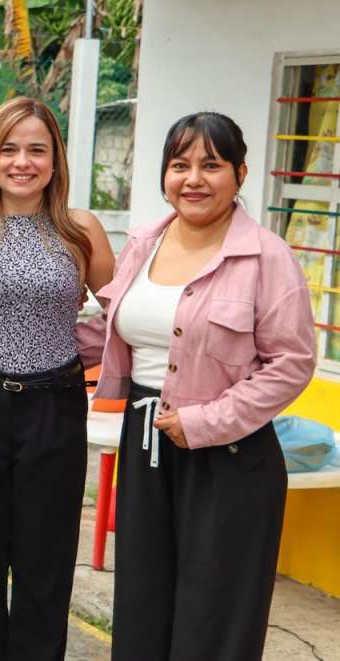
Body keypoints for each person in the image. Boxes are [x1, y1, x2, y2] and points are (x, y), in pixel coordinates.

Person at [76, 112, 316, 659]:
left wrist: (205, 422)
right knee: (142, 607)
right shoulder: (143, 245)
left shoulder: (267, 257)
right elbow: (108, 328)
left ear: (240, 174)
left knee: (214, 620)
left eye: (212, 165)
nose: (193, 179)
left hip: (229, 458)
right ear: (165, 175)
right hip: (146, 445)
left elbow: (292, 362)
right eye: (180, 165)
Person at [0, 96, 114, 660]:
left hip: (55, 406)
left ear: (55, 160)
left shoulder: (81, 230)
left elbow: (120, 314)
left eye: (37, 150)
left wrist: (81, 352)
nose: (22, 162)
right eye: (8, 149)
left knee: (45, 563)